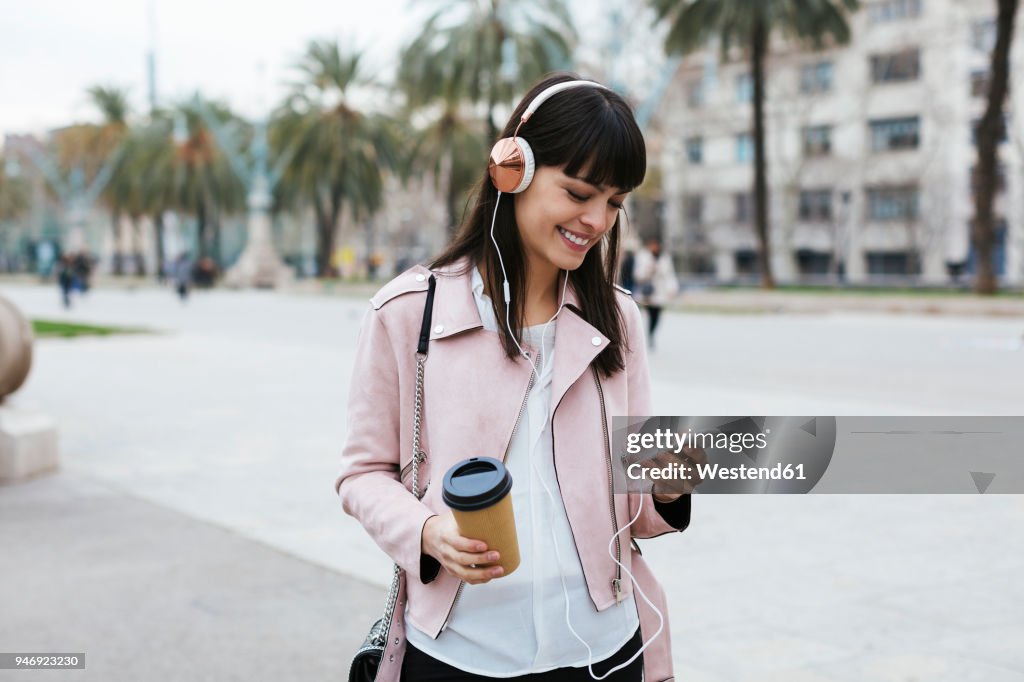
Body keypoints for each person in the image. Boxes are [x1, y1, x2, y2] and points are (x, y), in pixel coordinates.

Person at [336, 74, 691, 682]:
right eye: (579, 193)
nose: (597, 220)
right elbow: (361, 474)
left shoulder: (619, 318)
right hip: (462, 652)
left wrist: (666, 488)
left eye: (614, 202)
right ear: (513, 170)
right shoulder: (406, 313)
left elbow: (634, 510)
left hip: (606, 650)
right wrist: (426, 531)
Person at [632, 238, 678, 349]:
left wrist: (672, 289)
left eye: (656, 245)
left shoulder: (665, 258)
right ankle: (640, 337)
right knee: (643, 315)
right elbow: (637, 275)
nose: (654, 247)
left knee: (656, 315)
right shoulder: (642, 256)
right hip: (646, 292)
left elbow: (670, 274)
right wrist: (648, 271)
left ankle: (651, 334)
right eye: (652, 245)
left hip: (659, 292)